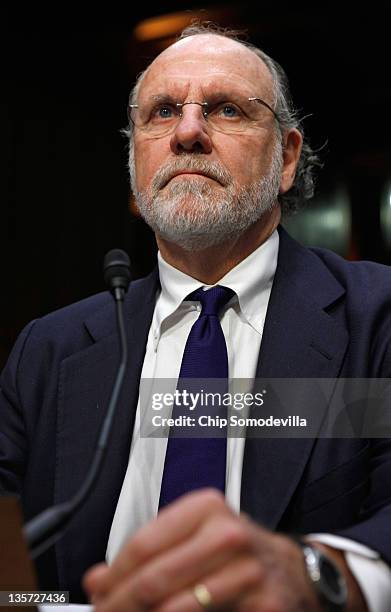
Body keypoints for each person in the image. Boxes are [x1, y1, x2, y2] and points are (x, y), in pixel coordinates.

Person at [1, 22, 391, 612]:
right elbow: (19, 580)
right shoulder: (48, 349)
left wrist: (320, 574)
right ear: (135, 163)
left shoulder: (377, 318)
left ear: (286, 158)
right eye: (161, 113)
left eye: (227, 109)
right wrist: (38, 603)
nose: (187, 132)